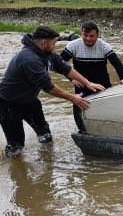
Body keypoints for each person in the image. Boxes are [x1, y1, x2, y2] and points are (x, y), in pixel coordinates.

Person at [0, 26, 104, 158]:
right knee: (16, 146)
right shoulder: (29, 59)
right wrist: (73, 98)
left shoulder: (46, 54)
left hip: (29, 101)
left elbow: (66, 69)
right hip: (8, 104)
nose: (54, 46)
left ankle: (48, 161)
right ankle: (15, 172)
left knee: (45, 135)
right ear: (44, 42)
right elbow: (48, 87)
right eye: (53, 43)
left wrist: (87, 83)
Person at [60, 21, 123, 131]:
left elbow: (117, 63)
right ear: (81, 34)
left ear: (97, 35)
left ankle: (109, 130)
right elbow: (59, 64)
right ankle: (82, 131)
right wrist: (71, 78)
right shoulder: (73, 45)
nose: (88, 39)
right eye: (85, 35)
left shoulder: (104, 46)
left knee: (109, 110)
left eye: (91, 36)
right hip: (81, 84)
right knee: (79, 108)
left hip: (102, 84)